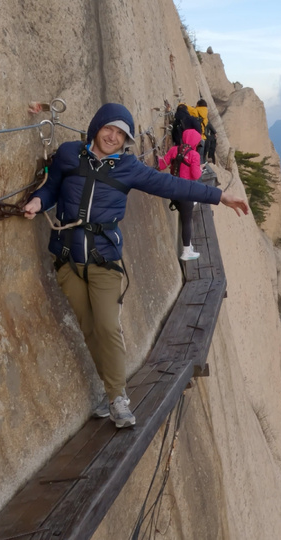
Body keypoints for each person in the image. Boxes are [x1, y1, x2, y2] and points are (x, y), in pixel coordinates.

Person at [22, 103, 249, 428]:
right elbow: (51, 187)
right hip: (66, 258)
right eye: (109, 128)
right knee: (89, 329)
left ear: (126, 140)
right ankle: (112, 390)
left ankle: (117, 399)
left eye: (121, 133)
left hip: (104, 258)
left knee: (108, 326)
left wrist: (219, 196)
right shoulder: (69, 154)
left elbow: (172, 185)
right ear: (97, 126)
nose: (113, 136)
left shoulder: (127, 168)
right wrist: (37, 201)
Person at [158, 128, 203, 260]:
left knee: (185, 212)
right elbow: (195, 175)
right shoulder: (195, 155)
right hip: (185, 191)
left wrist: (158, 158)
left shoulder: (174, 149)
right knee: (187, 220)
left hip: (173, 189)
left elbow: (162, 165)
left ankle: (189, 245)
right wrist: (200, 169)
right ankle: (186, 251)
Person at [192, 99, 210, 164]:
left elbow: (185, 108)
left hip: (195, 138)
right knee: (200, 157)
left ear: (198, 105)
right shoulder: (205, 116)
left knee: (194, 157)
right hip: (202, 138)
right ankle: (200, 171)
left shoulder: (195, 111)